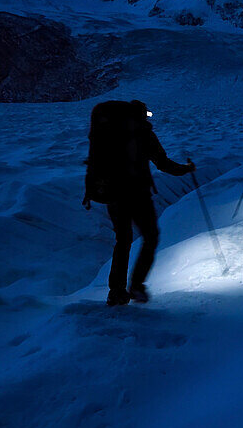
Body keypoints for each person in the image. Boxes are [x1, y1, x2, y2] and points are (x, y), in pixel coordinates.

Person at [83, 100, 195, 306]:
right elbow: (163, 163)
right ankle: (136, 286)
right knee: (151, 237)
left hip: (114, 195)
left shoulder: (109, 134)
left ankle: (116, 292)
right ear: (141, 115)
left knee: (123, 241)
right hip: (138, 194)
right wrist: (186, 169)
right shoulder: (144, 133)